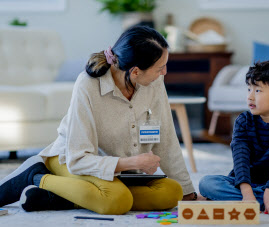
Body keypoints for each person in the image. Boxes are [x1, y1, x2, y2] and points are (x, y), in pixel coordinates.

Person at [0, 26, 197, 214]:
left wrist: (189, 193)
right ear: (135, 72)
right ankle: (35, 176)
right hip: (71, 161)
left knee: (172, 192)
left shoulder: (154, 83)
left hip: (120, 171)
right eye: (160, 68)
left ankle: (64, 197)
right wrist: (130, 162)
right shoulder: (88, 85)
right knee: (116, 201)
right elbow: (77, 159)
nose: (164, 73)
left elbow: (167, 139)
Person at [199, 59, 269, 214]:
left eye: (258, 91)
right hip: (244, 183)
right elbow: (240, 159)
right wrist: (247, 192)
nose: (250, 97)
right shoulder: (243, 121)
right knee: (206, 184)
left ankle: (263, 198)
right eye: (249, 89)